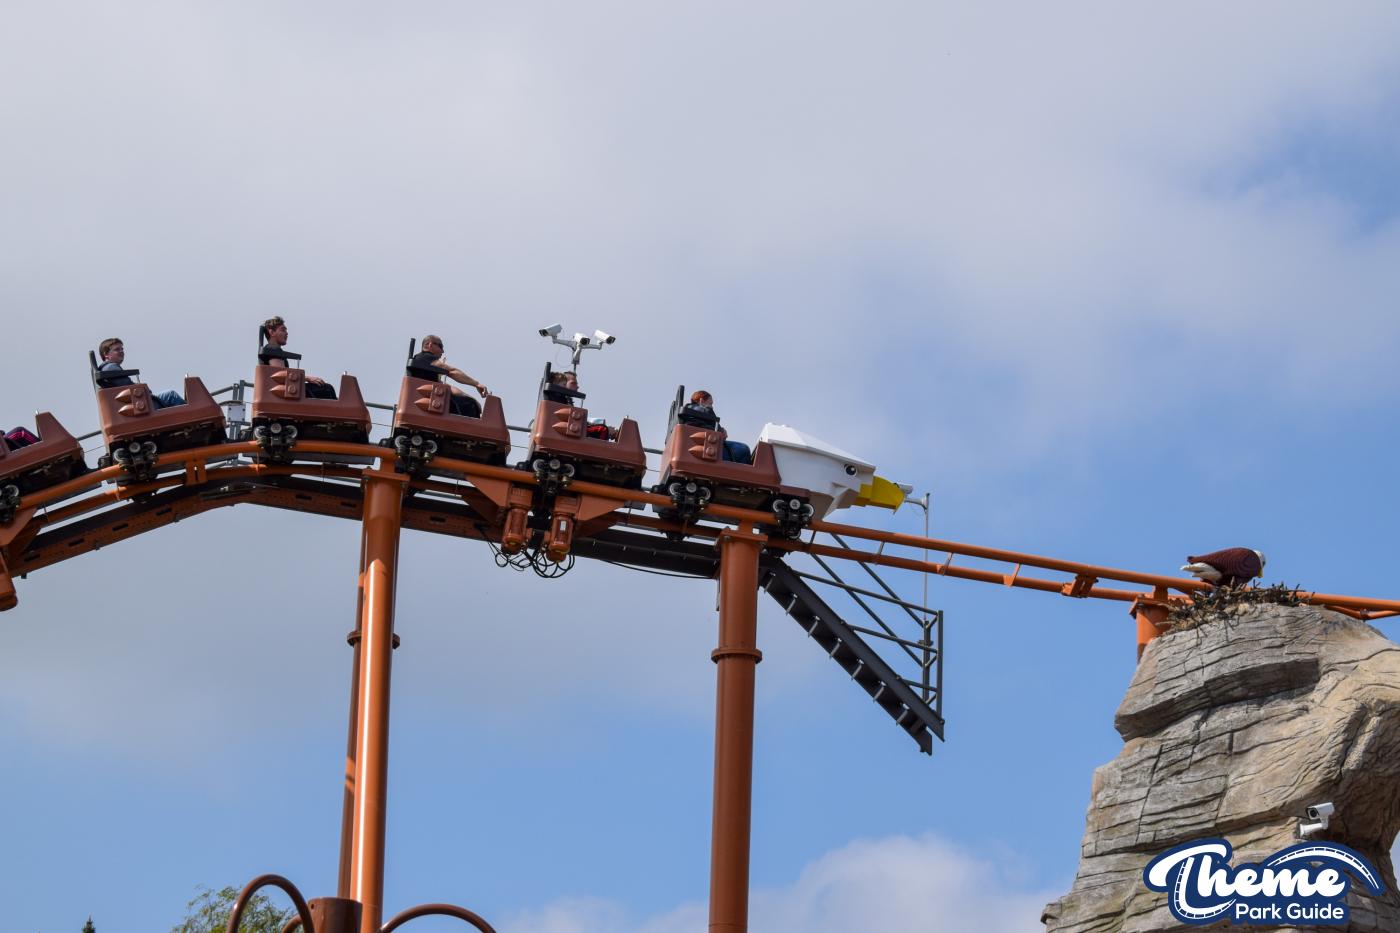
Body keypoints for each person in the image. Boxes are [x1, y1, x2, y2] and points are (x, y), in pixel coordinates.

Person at [410, 334, 489, 417]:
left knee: (470, 402)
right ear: (429, 344)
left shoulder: (425, 366)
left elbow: (449, 388)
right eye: (440, 346)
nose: (442, 351)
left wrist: (472, 399)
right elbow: (452, 371)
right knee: (469, 406)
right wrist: (476, 384)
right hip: (430, 406)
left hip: (426, 405)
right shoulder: (425, 357)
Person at [260, 316, 337, 399]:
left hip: (283, 392)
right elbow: (280, 375)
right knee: (327, 389)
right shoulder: (273, 349)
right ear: (272, 332)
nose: (287, 333)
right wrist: (307, 378)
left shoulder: (271, 349)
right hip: (284, 393)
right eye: (283, 330)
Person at [95, 338, 185, 409]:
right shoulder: (111, 368)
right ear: (106, 354)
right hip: (139, 405)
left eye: (122, 349)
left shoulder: (106, 369)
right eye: (117, 349)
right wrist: (145, 389)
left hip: (134, 403)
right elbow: (129, 387)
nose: (121, 351)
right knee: (170, 395)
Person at [679, 390, 750, 463]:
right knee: (744, 450)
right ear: (701, 401)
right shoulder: (703, 410)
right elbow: (718, 432)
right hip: (708, 450)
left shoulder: (687, 413)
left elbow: (703, 426)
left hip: (695, 449)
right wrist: (722, 432)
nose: (712, 407)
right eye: (710, 403)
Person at [544, 370, 615, 440]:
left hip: (570, 430)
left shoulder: (561, 399)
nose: (577, 387)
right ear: (556, 385)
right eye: (573, 383)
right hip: (568, 433)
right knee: (603, 429)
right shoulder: (557, 399)